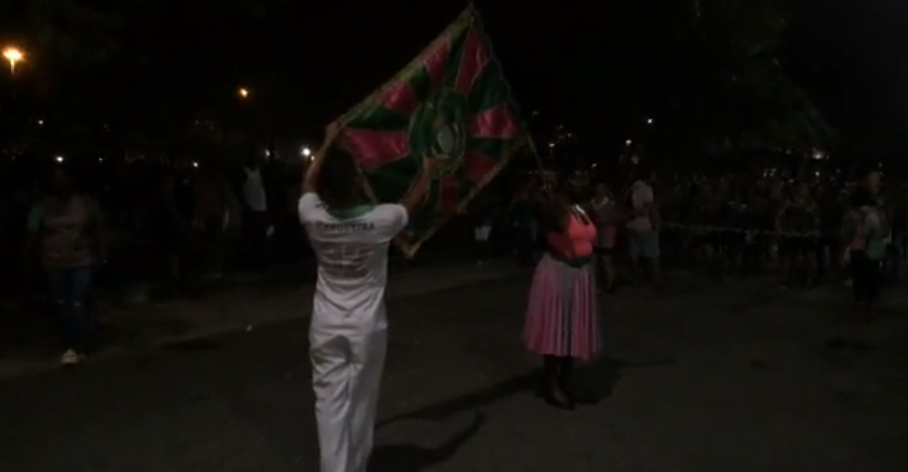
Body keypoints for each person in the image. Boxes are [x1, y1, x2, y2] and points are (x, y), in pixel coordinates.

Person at [298, 123, 432, 472]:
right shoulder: (379, 220)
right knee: (361, 401)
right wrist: (429, 169)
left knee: (328, 406)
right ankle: (354, 465)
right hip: (366, 327)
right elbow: (412, 201)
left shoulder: (313, 217)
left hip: (326, 326)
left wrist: (327, 141)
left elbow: (308, 183)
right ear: (356, 181)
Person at [523, 169, 601, 410]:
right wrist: (542, 189)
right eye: (576, 177)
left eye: (585, 178)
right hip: (558, 273)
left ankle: (565, 379)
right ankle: (551, 382)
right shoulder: (553, 206)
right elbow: (551, 218)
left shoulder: (580, 208)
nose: (581, 182)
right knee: (557, 330)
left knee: (575, 331)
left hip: (580, 275)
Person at [24, 166, 106, 365]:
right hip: (53, 260)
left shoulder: (85, 204)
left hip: (81, 260)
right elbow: (32, 233)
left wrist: (102, 254)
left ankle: (78, 345)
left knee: (76, 303)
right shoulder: (42, 207)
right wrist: (27, 258)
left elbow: (99, 229)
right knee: (62, 304)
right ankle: (70, 343)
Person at [625, 168, 660, 286]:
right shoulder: (646, 189)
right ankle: (655, 280)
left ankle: (637, 278)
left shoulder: (630, 189)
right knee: (652, 254)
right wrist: (656, 224)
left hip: (630, 225)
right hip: (644, 226)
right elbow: (651, 209)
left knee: (635, 254)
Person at [590, 182, 618, 292]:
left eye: (601, 188)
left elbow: (616, 218)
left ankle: (610, 285)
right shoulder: (592, 203)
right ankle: (595, 284)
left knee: (607, 260)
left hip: (607, 235)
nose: (599, 191)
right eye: (597, 188)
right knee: (595, 260)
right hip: (596, 236)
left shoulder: (610, 204)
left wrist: (606, 221)